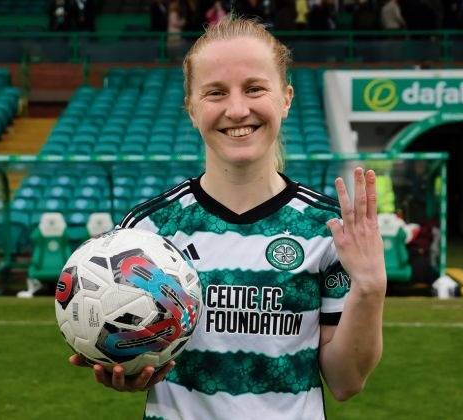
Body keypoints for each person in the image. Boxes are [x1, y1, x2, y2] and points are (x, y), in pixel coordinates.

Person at [69, 17, 386, 420]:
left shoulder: (328, 230)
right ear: (191, 108)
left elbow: (346, 381)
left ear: (286, 99)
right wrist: (129, 364)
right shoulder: (147, 232)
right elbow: (127, 343)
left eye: (254, 89)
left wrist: (370, 288)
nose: (237, 110)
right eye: (216, 93)